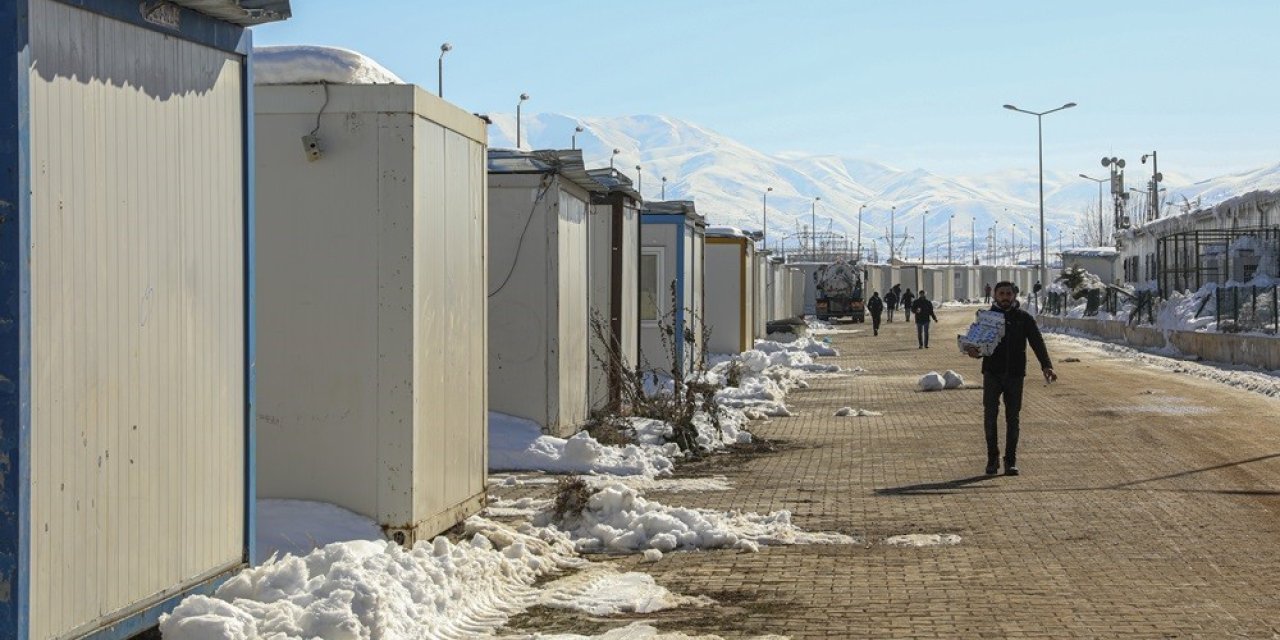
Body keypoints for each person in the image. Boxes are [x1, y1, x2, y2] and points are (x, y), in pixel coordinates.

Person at [964, 281, 1057, 476]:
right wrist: (973, 351)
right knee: (990, 417)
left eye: (1008, 293)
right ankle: (992, 459)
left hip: (1015, 374)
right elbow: (977, 342)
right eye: (1001, 293)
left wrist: (1046, 365)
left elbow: (1037, 342)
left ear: (1014, 295)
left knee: (1012, 419)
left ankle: (1010, 460)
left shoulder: (1024, 318)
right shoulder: (986, 318)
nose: (1005, 297)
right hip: (992, 373)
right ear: (995, 295)